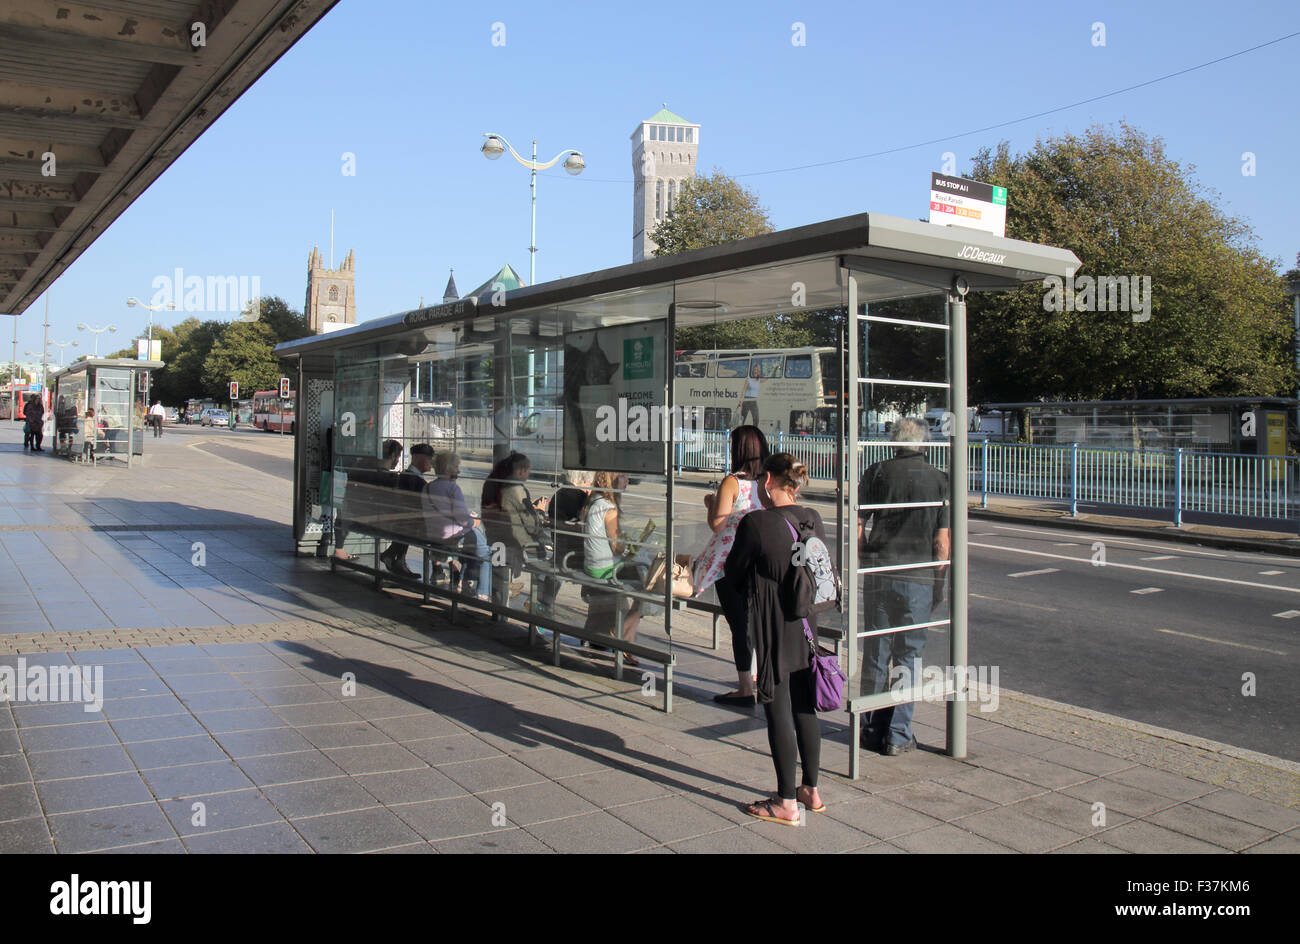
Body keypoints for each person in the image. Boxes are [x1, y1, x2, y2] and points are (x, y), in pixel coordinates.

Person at [724, 453, 825, 825]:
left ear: (767, 481)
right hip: (808, 626)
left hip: (775, 626)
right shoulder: (812, 518)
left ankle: (785, 802)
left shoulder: (757, 522)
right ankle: (810, 790)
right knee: (804, 706)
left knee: (778, 708)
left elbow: (733, 572)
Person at [858, 417, 950, 756]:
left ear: (894, 442)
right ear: (924, 444)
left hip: (880, 571)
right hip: (919, 577)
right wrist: (939, 583)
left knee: (876, 651)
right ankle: (898, 736)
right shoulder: (940, 480)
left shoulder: (876, 472)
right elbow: (942, 542)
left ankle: (870, 728)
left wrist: (863, 560)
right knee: (909, 656)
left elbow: (858, 524)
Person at [691, 425, 769, 704]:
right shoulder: (769, 482)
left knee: (740, 624)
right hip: (761, 561)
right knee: (759, 621)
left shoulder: (733, 482)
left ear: (739, 450)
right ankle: (763, 677)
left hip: (731, 563)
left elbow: (717, 524)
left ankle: (745, 687)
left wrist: (710, 504)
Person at [580, 471, 644, 661]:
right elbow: (617, 547)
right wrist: (630, 546)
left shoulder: (594, 501)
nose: (627, 480)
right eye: (623, 476)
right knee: (646, 586)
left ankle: (603, 633)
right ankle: (625, 639)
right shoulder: (609, 508)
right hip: (605, 568)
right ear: (612, 479)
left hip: (591, 564)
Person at [481, 452, 550, 610]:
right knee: (551, 563)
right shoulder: (517, 489)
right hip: (517, 543)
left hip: (495, 539)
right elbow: (532, 525)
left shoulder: (496, 483)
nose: (529, 474)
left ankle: (499, 609)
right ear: (520, 471)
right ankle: (538, 602)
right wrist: (538, 511)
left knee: (500, 575)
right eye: (528, 470)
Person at [425, 451, 491, 600]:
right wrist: (475, 521)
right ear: (448, 469)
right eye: (456, 467)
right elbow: (463, 520)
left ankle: (464, 581)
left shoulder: (428, 488)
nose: (459, 471)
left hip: (434, 535)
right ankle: (483, 593)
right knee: (487, 553)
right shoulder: (452, 488)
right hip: (453, 536)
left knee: (475, 539)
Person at [534, 469, 593, 617]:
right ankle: (590, 597)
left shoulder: (559, 494)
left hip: (560, 549)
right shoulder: (578, 497)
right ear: (584, 480)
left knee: (555, 570)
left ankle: (544, 604)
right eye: (591, 482)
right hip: (574, 554)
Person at [335, 438, 403, 561]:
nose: (398, 461)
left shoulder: (359, 469)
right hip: (374, 524)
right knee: (408, 526)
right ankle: (396, 559)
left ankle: (339, 549)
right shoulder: (389, 478)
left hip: (351, 520)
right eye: (398, 457)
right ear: (393, 456)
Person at [380, 442, 433, 578]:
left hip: (397, 522)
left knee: (410, 523)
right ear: (420, 459)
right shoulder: (416, 482)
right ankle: (394, 556)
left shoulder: (406, 477)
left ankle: (396, 557)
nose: (432, 463)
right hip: (407, 525)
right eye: (430, 458)